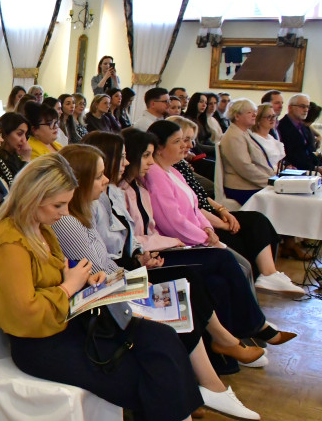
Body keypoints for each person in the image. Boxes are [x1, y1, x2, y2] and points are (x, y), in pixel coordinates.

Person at [0, 152, 243, 421]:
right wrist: (69, 287)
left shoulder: (39, 227)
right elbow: (23, 314)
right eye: (58, 205)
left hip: (67, 322)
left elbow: (59, 274)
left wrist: (91, 280)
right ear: (34, 198)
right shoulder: (10, 243)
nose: (63, 214)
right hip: (40, 344)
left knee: (162, 336)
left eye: (66, 205)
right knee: (147, 375)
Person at [53, 144, 261, 419]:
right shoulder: (68, 220)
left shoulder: (83, 211)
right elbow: (98, 271)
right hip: (103, 298)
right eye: (99, 175)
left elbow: (106, 262)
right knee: (177, 292)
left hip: (115, 281)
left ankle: (204, 380)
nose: (106, 180)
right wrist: (138, 275)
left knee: (184, 286)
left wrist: (138, 268)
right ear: (79, 181)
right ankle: (205, 382)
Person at [85, 130, 269, 375]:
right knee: (203, 271)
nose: (130, 163)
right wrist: (162, 248)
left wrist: (206, 227)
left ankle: (224, 355)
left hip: (144, 255)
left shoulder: (119, 192)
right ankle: (240, 337)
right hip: (130, 265)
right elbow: (112, 250)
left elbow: (190, 206)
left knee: (219, 275)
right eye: (141, 156)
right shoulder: (103, 198)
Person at [120, 127, 296, 347]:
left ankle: (244, 333)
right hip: (168, 245)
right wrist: (201, 238)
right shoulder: (148, 179)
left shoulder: (167, 173)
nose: (186, 146)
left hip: (177, 241)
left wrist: (209, 230)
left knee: (233, 266)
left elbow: (195, 206)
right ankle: (252, 330)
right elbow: (169, 223)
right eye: (178, 141)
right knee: (231, 263)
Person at [162, 116, 300, 290]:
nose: (190, 145)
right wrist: (220, 223)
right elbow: (191, 208)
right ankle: (262, 277)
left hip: (209, 215)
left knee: (258, 220)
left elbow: (201, 195)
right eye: (185, 140)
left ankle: (269, 273)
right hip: (201, 223)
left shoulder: (180, 166)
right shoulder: (170, 170)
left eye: (191, 140)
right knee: (245, 233)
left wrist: (222, 210)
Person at [219, 99, 273, 204]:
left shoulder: (245, 132)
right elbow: (245, 167)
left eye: (254, 112)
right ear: (237, 116)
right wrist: (270, 181)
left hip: (252, 183)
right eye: (249, 112)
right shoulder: (234, 136)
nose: (254, 115)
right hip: (242, 187)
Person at [278, 93, 320, 172]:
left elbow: (311, 151)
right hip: (296, 172)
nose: (306, 110)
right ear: (290, 108)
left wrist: (319, 165)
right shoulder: (282, 127)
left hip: (311, 171)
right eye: (302, 106)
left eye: (308, 107)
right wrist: (314, 168)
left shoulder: (304, 127)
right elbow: (292, 156)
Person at [0, 112, 31, 176]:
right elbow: (21, 183)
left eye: (26, 135)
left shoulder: (14, 155)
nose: (24, 140)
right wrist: (26, 158)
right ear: (5, 133)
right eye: (19, 134)